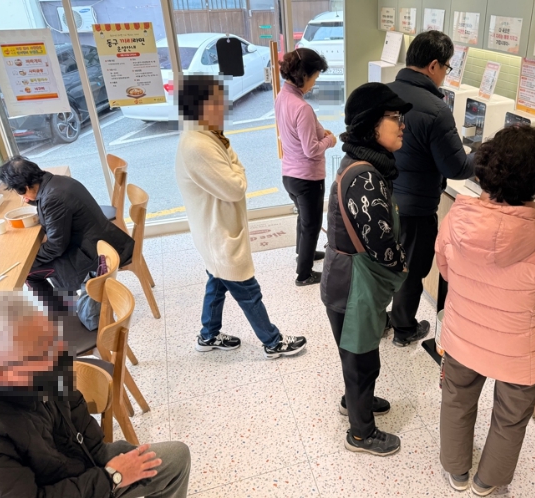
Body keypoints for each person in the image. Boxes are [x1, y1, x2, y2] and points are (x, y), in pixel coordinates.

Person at [435, 126, 535, 495]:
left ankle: (456, 471)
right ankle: (488, 481)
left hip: (462, 335)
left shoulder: (457, 219)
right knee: (511, 418)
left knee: (456, 401)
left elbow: (446, 270)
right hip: (521, 352)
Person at [0, 290, 191, 497]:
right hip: (68, 487)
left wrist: (116, 463)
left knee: (176, 458)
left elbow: (87, 434)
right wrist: (112, 478)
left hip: (85, 469)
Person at [175, 75, 307, 359]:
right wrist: (237, 168)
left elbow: (232, 166)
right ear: (199, 106)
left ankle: (208, 335)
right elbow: (236, 187)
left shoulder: (207, 134)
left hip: (214, 230)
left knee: (217, 282)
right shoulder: (198, 145)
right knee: (247, 289)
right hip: (218, 233)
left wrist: (233, 164)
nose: (224, 105)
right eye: (217, 101)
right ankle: (272, 342)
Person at [320, 82, 411, 456]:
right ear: (372, 123)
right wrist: (403, 266)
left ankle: (354, 401)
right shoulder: (366, 177)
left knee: (358, 354)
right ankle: (360, 433)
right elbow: (382, 245)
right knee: (361, 361)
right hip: (352, 287)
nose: (402, 125)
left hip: (345, 280)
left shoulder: (362, 163)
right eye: (394, 117)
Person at [387, 30, 475, 348]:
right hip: (415, 207)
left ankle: (381, 319)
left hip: (381, 198)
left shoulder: (383, 93)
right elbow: (456, 168)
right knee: (411, 268)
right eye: (447, 67)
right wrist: (483, 154)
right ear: (434, 65)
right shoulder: (437, 110)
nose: (445, 74)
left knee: (384, 261)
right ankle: (404, 329)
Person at [0, 157, 134, 303]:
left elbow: (55, 247)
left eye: (20, 193)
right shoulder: (56, 182)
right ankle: (65, 305)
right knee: (37, 257)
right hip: (99, 241)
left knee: (27, 272)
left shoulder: (53, 199)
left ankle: (62, 313)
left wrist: (27, 259)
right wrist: (34, 200)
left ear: (25, 187)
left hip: (91, 255)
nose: (21, 197)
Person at [275, 48, 337, 286]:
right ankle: (304, 274)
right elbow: (311, 150)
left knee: (303, 218)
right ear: (304, 75)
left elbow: (295, 132)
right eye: (315, 77)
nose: (315, 82)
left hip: (290, 175)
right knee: (311, 225)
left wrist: (320, 132)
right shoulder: (302, 108)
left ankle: (303, 253)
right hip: (307, 178)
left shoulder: (283, 97)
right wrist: (329, 140)